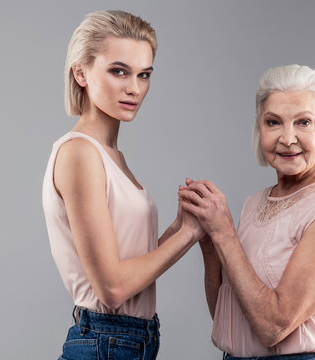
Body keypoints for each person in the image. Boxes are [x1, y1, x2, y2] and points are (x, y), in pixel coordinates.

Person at [42, 10, 203, 360]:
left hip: (131, 341)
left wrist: (181, 227)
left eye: (144, 75)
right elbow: (113, 289)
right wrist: (189, 234)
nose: (134, 88)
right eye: (119, 71)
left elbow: (131, 265)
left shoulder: (111, 155)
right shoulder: (80, 154)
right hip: (106, 341)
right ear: (80, 72)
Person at [179, 64, 315, 360]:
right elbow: (226, 316)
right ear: (259, 126)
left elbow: (273, 326)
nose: (287, 138)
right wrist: (209, 242)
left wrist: (224, 231)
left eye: (304, 122)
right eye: (273, 122)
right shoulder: (255, 202)